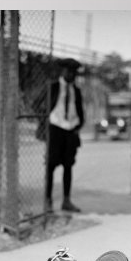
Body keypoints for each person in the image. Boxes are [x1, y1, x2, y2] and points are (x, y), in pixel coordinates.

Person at [44, 58, 85, 212]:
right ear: (63, 71)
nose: (72, 75)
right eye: (69, 71)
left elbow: (80, 111)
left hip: (70, 131)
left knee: (68, 167)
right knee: (51, 166)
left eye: (74, 72)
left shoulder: (76, 90)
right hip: (55, 129)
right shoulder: (53, 87)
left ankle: (66, 201)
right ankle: (47, 201)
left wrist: (78, 126)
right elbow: (40, 105)